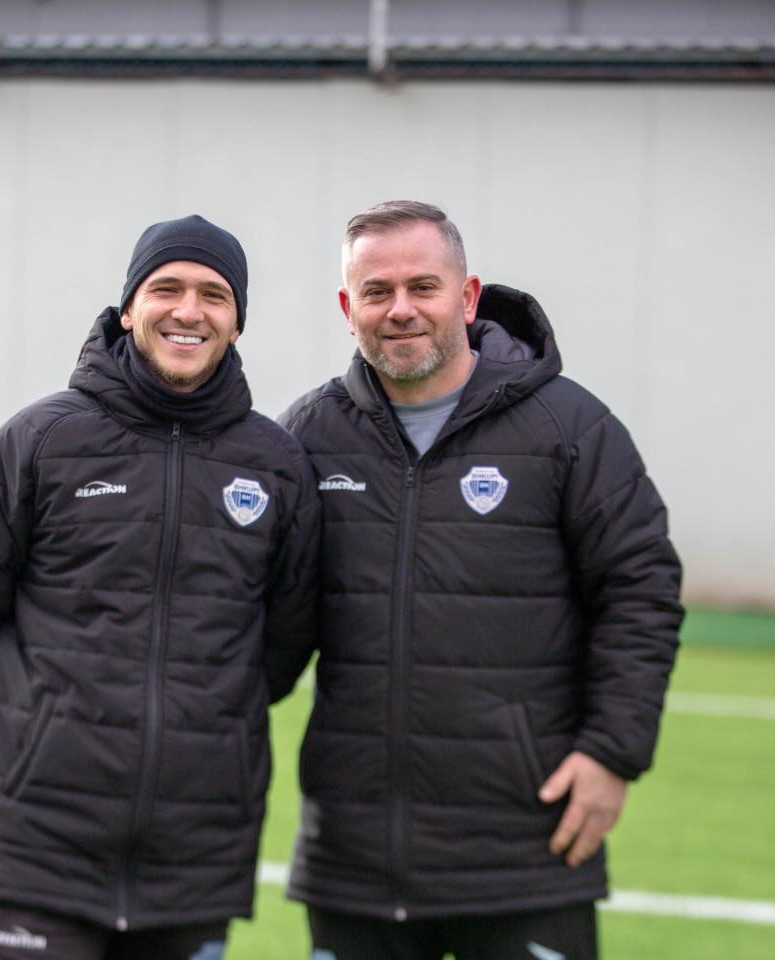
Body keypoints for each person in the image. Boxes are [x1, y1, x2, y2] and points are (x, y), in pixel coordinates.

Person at [278, 201, 683, 960]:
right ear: (347, 308)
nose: (400, 309)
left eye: (423, 287)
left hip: (525, 851)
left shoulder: (570, 428)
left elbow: (641, 589)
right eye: (376, 291)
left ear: (467, 297)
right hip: (356, 859)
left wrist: (612, 752)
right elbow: (259, 620)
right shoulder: (308, 436)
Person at [0, 214, 319, 960]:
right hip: (41, 837)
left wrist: (203, 720)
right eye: (166, 288)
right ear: (129, 308)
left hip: (196, 847)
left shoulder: (275, 465)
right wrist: (43, 710)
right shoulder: (41, 439)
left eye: (213, 295)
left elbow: (285, 641)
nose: (188, 310)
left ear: (237, 322)